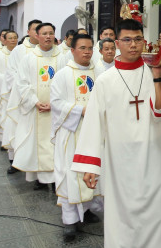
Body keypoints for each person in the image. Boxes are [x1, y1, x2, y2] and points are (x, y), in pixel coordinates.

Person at [71, 18, 161, 248]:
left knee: (157, 209)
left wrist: (158, 77)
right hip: (120, 158)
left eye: (138, 39)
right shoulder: (105, 81)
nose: (133, 45)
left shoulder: (155, 73)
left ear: (144, 41)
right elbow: (94, 122)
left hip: (154, 154)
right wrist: (90, 165)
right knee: (122, 212)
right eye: (127, 40)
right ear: (117, 43)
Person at [51, 33, 103, 241]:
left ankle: (88, 209)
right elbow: (56, 103)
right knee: (71, 175)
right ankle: (70, 221)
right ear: (72, 50)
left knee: (94, 172)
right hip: (72, 131)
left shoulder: (100, 72)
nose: (87, 52)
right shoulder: (63, 75)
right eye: (82, 48)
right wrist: (80, 110)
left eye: (90, 48)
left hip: (96, 131)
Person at [12, 22, 64, 189]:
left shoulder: (63, 57)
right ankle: (39, 179)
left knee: (56, 143)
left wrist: (55, 104)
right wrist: (35, 101)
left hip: (57, 111)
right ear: (37, 36)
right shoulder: (29, 58)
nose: (48, 36)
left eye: (51, 33)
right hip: (36, 109)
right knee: (36, 143)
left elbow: (67, 83)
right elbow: (22, 84)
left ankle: (56, 178)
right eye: (44, 33)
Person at [2, 20, 41, 173]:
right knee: (18, 129)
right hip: (21, 97)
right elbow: (11, 73)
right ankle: (15, 161)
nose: (37, 33)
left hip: (41, 100)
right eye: (35, 29)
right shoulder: (19, 51)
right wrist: (26, 92)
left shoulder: (51, 52)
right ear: (29, 32)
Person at [0, 31, 18, 145]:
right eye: (10, 38)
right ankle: (4, 139)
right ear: (5, 40)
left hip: (17, 90)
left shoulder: (21, 54)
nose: (13, 40)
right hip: (4, 90)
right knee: (4, 113)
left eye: (15, 38)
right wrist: (8, 82)